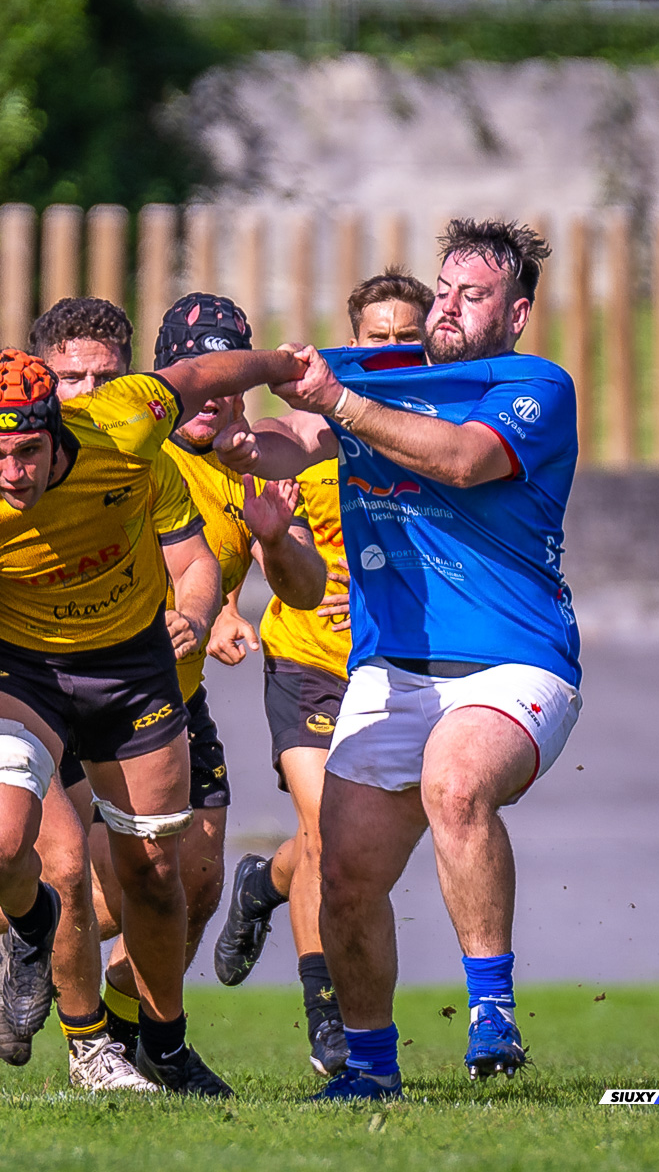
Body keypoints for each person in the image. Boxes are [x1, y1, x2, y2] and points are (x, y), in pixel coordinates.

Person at [0, 340, 299, 1096]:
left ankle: (155, 1048)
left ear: (58, 428)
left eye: (28, 451)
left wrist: (277, 364)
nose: (12, 472)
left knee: (155, 875)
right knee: (9, 859)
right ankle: (31, 924)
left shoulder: (123, 428)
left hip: (131, 671)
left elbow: (198, 376)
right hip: (17, 671)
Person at [218, 220, 580, 1100]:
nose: (450, 307)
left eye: (476, 294)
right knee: (341, 870)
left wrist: (336, 402)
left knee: (454, 785)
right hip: (393, 669)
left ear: (518, 312)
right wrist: (223, 439)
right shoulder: (376, 374)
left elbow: (460, 460)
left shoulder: (534, 385)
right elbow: (286, 444)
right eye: (446, 288)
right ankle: (371, 1075)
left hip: (515, 662)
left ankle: (491, 1014)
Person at [209, 268, 433, 1078]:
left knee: (348, 850)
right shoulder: (315, 430)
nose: (393, 346)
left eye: (407, 332)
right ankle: (327, 1020)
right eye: (378, 334)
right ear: (352, 338)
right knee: (326, 834)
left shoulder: (438, 431)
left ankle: (262, 886)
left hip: (393, 672)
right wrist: (228, 605)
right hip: (304, 657)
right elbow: (249, 498)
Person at [97, 294, 327, 1060]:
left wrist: (272, 549)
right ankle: (14, 946)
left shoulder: (251, 463)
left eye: (229, 377)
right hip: (91, 690)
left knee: (195, 888)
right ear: (170, 377)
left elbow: (300, 588)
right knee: (96, 890)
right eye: (203, 375)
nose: (216, 397)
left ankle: (126, 1037)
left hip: (177, 697)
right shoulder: (127, 450)